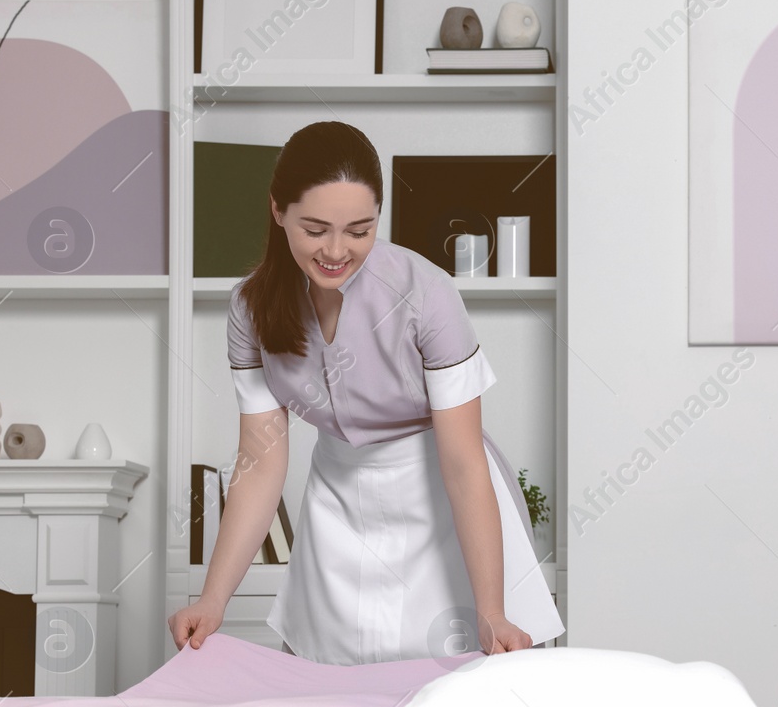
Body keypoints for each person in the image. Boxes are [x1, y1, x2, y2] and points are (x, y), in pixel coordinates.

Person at [167, 121, 563, 663]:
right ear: (277, 210)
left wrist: (490, 611)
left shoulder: (426, 294)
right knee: (329, 697)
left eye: (360, 229)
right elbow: (259, 461)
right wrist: (213, 600)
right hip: (338, 500)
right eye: (316, 228)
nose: (336, 251)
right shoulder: (251, 308)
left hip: (443, 503)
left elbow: (464, 464)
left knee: (453, 692)